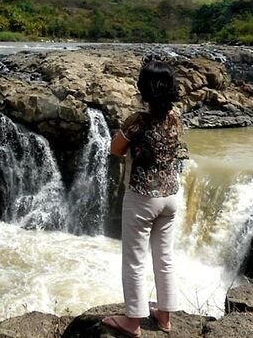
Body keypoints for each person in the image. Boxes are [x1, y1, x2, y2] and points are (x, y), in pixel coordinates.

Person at [101, 59, 187, 337]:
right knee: (165, 257)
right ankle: (164, 317)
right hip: (171, 196)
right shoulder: (176, 117)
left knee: (134, 259)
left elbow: (115, 149)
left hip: (142, 197)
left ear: (144, 88)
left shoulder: (138, 120)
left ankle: (132, 322)